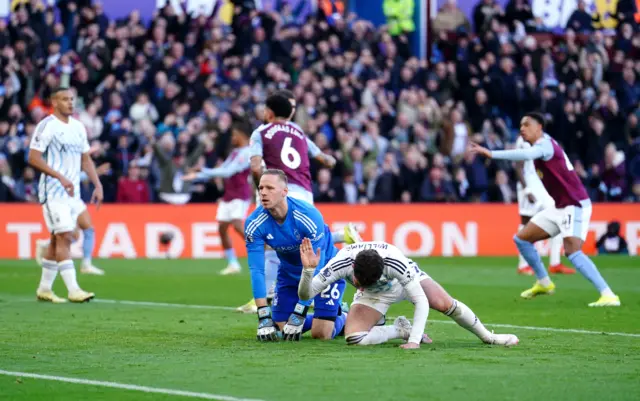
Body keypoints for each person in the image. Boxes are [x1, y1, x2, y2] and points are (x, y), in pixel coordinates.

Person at [469, 112, 620, 307]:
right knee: (521, 239)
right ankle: (544, 282)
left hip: (575, 205)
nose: (522, 128)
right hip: (559, 207)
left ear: (539, 127)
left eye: (527, 124)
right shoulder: (540, 145)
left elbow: (525, 155)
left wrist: (492, 153)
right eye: (521, 125)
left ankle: (608, 295)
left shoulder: (545, 145)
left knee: (572, 252)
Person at [236, 92, 362, 314]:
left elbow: (256, 166)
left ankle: (266, 295)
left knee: (269, 239)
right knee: (300, 240)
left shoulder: (261, 132)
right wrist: (330, 162)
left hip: (278, 189)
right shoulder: (299, 132)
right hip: (304, 193)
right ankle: (340, 236)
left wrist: (260, 187)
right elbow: (326, 159)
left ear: (269, 112)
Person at [298, 239, 519, 348]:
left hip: (404, 284)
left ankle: (488, 336)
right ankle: (398, 330)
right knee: (354, 339)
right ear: (353, 267)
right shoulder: (341, 261)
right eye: (357, 283)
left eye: (364, 283)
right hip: (376, 296)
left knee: (444, 303)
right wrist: (308, 271)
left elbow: (420, 301)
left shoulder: (396, 262)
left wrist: (415, 342)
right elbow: (307, 294)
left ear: (382, 271)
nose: (359, 286)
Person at [246, 169, 348, 342]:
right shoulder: (254, 223)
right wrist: (263, 316)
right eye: (261, 187)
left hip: (324, 271)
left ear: (284, 191)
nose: (263, 192)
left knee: (321, 334)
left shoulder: (308, 215)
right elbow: (257, 270)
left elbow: (318, 263)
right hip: (289, 273)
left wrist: (300, 311)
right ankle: (318, 317)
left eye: (269, 188)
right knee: (279, 328)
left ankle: (344, 315)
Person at [28, 87, 102, 303]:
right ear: (54, 102)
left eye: (72, 99)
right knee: (66, 236)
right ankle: (73, 289)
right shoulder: (47, 126)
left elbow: (85, 159)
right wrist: (59, 176)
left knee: (58, 238)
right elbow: (33, 158)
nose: (70, 103)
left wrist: (97, 184)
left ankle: (44, 289)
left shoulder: (78, 127)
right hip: (53, 192)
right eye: (65, 99)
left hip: (73, 193)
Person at [183, 118, 253, 274]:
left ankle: (261, 251)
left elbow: (227, 172)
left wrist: (202, 172)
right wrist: (198, 175)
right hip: (229, 194)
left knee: (237, 225)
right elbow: (222, 169)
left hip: (240, 194)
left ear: (242, 135)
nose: (232, 138)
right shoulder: (235, 153)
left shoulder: (247, 153)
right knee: (222, 228)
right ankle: (233, 264)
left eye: (235, 134)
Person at [514, 135, 574, 276]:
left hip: (543, 187)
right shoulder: (522, 140)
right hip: (528, 187)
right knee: (526, 223)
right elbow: (518, 166)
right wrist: (526, 189)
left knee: (559, 218)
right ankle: (523, 265)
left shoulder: (547, 139)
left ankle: (555, 263)